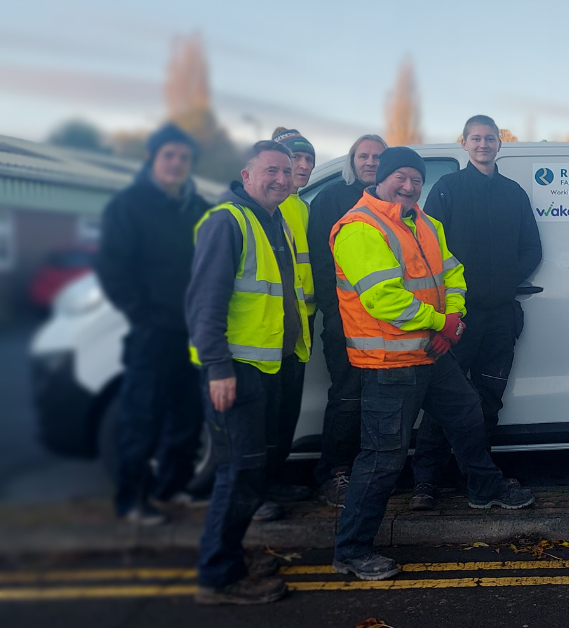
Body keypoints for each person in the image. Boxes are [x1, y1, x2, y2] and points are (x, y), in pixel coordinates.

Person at [330, 147, 533, 581]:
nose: (409, 186)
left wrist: (452, 318)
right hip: (389, 361)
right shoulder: (360, 227)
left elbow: (453, 273)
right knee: (383, 458)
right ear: (382, 178)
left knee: (466, 414)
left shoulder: (425, 223)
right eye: (400, 177)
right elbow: (384, 299)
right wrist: (443, 322)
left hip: (431, 352)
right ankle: (351, 549)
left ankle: (484, 487)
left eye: (416, 180)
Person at [186, 140, 311, 604]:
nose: (281, 178)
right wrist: (218, 368)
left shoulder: (274, 220)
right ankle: (218, 576)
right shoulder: (227, 221)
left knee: (252, 473)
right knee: (238, 474)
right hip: (236, 371)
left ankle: (229, 556)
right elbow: (205, 304)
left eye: (286, 170)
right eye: (271, 171)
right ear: (247, 174)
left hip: (268, 365)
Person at [410, 115, 542, 510]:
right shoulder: (447, 190)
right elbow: (426, 250)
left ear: (499, 144)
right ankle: (426, 483)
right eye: (476, 138)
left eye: (489, 138)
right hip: (457, 318)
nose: (483, 144)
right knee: (444, 402)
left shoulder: (513, 193)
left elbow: (532, 249)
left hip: (501, 317)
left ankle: (477, 479)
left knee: (488, 400)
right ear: (464, 144)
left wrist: (505, 281)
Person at [96, 123, 209, 524]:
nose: (177, 163)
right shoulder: (129, 205)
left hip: (194, 331)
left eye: (183, 157)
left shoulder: (198, 207)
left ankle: (171, 489)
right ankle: (132, 499)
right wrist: (142, 314)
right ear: (152, 158)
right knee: (141, 417)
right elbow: (112, 268)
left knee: (188, 415)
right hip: (153, 330)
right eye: (169, 155)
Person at [309, 134, 387, 506]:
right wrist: (335, 312)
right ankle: (335, 471)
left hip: (389, 322)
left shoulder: (396, 201)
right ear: (352, 160)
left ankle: (369, 471)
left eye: (377, 156)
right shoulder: (330, 199)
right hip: (345, 321)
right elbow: (322, 266)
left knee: (381, 398)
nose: (370, 162)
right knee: (347, 396)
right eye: (364, 155)